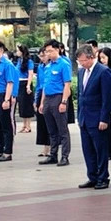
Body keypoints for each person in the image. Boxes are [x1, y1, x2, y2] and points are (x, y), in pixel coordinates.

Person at [76, 44, 111, 190]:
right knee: (88, 150)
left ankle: (103, 177)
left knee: (100, 150)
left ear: (91, 57)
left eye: (83, 60)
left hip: (98, 118)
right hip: (84, 118)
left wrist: (104, 118)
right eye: (79, 61)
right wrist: (79, 116)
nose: (81, 63)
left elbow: (107, 98)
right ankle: (92, 176)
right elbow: (81, 95)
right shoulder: (81, 72)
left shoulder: (103, 72)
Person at [39, 39, 72, 167]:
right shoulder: (47, 66)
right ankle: (53, 155)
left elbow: (67, 85)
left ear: (57, 50)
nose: (48, 53)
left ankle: (65, 156)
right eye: (46, 51)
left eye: (50, 51)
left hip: (58, 97)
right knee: (51, 130)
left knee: (62, 129)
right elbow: (44, 86)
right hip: (48, 98)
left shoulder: (63, 64)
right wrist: (42, 103)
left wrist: (64, 102)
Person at [97, 48, 111, 160]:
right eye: (100, 58)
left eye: (104, 57)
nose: (102, 60)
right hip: (105, 104)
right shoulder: (102, 71)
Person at [33, 48, 51, 158]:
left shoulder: (52, 66)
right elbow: (39, 84)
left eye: (43, 55)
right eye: (40, 56)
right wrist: (36, 100)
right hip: (41, 94)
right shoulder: (40, 67)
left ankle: (51, 148)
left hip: (49, 94)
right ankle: (45, 147)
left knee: (49, 123)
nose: (42, 58)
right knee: (42, 124)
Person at [16, 45, 35, 133]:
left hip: (25, 82)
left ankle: (28, 125)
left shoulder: (29, 61)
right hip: (19, 83)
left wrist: (28, 85)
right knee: (22, 105)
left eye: (18, 51)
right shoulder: (19, 61)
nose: (17, 52)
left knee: (27, 104)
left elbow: (30, 74)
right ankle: (24, 125)